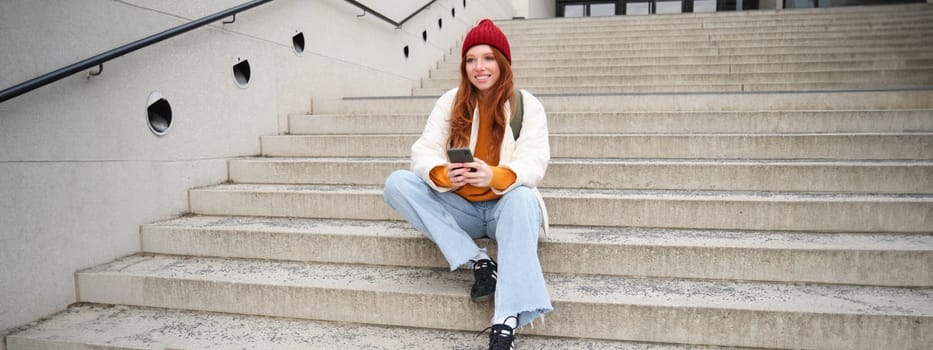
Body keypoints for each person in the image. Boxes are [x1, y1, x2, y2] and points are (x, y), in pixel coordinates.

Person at [383, 18, 551, 350]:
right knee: (397, 183)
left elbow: (535, 161)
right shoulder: (450, 101)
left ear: (502, 62)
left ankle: (506, 320)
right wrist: (444, 174)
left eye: (488, 58)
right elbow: (423, 151)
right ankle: (479, 261)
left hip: (506, 207)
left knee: (521, 198)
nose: (479, 67)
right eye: (471, 60)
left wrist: (496, 175)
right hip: (464, 209)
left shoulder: (526, 104)